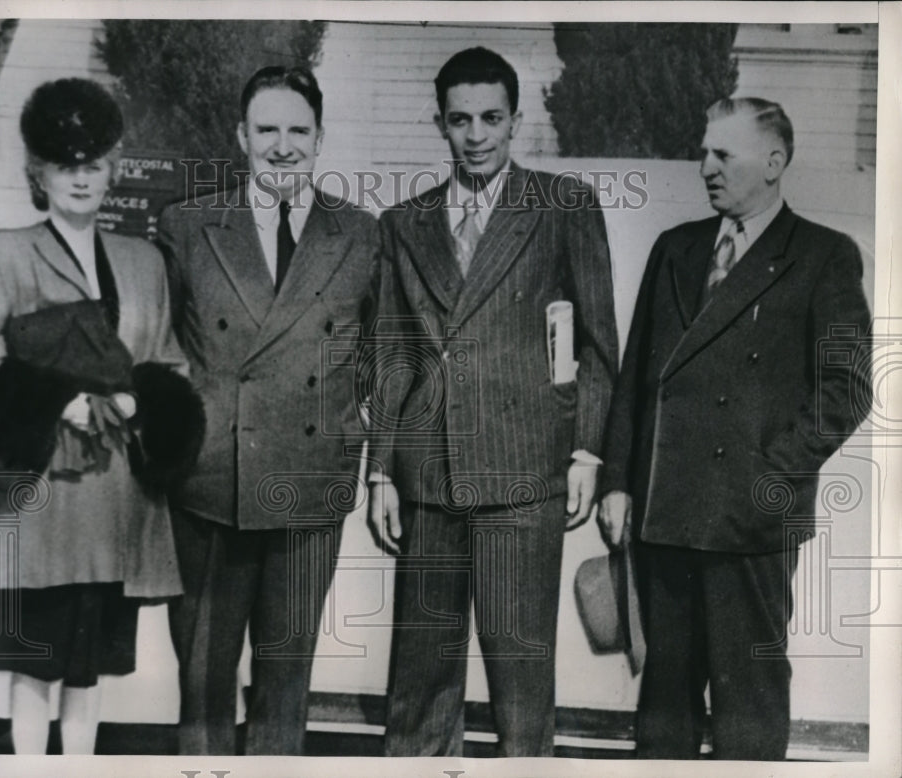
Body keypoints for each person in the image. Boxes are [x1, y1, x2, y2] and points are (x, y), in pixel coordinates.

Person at [598, 97, 872, 760]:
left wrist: (767, 474)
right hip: (665, 514)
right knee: (664, 701)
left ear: (774, 161)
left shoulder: (823, 256)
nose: (706, 168)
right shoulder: (676, 249)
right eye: (703, 153)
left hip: (750, 523)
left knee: (748, 698)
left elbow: (848, 387)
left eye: (724, 155)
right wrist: (617, 482)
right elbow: (638, 377)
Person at [367, 47, 618, 756]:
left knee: (520, 680)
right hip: (428, 477)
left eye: (491, 118)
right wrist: (381, 470)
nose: (476, 134)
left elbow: (599, 345)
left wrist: (588, 450)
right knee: (419, 682)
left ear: (515, 121)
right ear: (440, 125)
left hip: (523, 477)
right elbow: (391, 357)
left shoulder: (562, 208)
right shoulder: (403, 224)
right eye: (460, 120)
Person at [0, 78, 202, 754]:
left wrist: (138, 401)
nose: (81, 179)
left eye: (93, 164)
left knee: (88, 666)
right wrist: (58, 401)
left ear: (112, 168)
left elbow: (168, 364)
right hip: (41, 502)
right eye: (66, 166)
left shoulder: (143, 260)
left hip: (115, 501)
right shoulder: (1, 254)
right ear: (39, 171)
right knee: (35, 662)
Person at [157, 65, 380, 755]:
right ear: (241, 137)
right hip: (209, 485)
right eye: (267, 130)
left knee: (287, 681)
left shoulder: (363, 234)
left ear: (320, 139)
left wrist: (345, 435)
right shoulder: (188, 225)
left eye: (297, 131)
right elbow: (162, 350)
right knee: (202, 682)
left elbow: (376, 355)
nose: (282, 146)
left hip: (311, 485)